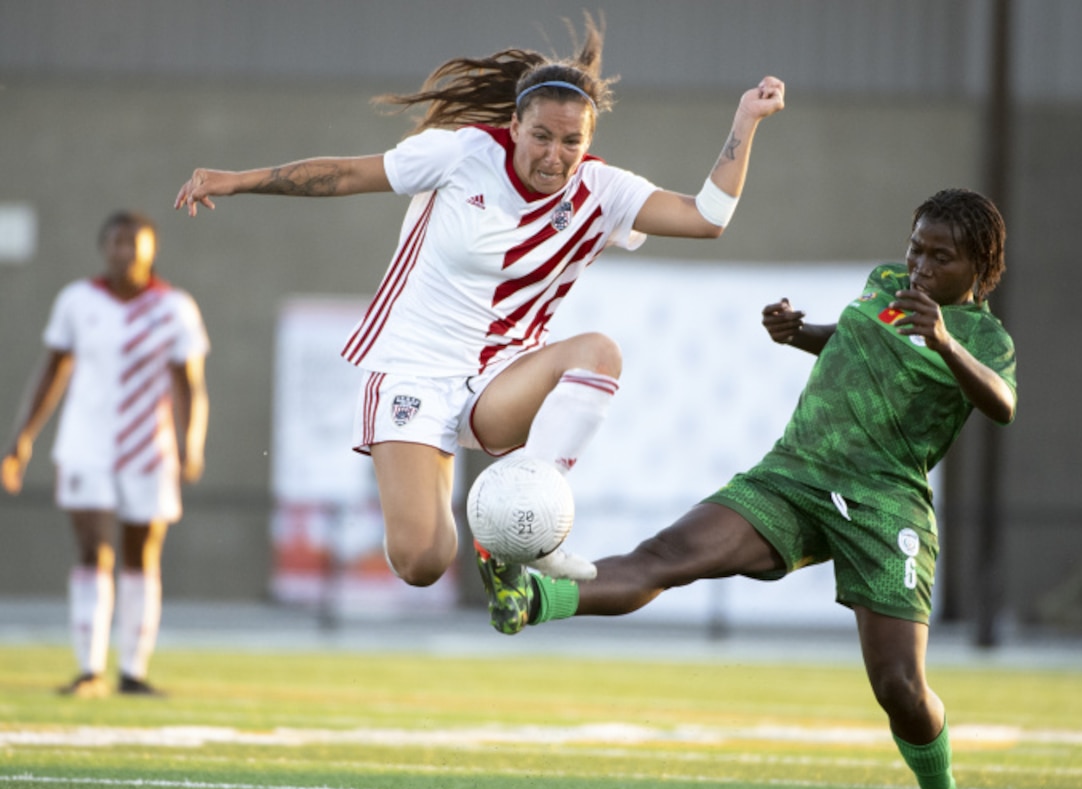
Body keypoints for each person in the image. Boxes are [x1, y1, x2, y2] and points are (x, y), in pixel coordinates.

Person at [476, 188, 1015, 789]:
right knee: (667, 555)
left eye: (941, 256)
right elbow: (862, 345)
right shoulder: (888, 284)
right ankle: (529, 596)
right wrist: (800, 334)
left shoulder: (983, 335)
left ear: (980, 267)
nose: (919, 266)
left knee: (900, 686)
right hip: (796, 475)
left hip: (883, 506)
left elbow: (1002, 403)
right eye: (916, 247)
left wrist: (945, 344)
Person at [174, 14, 784, 588]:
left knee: (599, 352)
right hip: (412, 369)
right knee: (423, 561)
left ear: (589, 138)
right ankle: (490, 535)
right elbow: (349, 174)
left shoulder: (605, 191)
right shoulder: (461, 153)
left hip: (499, 380)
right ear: (515, 127)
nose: (554, 154)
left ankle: (526, 524)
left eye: (571, 141)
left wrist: (744, 121)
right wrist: (239, 180)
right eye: (540, 136)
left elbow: (707, 218)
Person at [3, 210, 210, 698]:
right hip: (86, 445)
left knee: (142, 554)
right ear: (104, 248)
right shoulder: (77, 301)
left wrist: (191, 442)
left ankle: (133, 672)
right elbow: (52, 371)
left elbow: (190, 385)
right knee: (93, 549)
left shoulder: (175, 308)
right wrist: (22, 438)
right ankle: (88, 669)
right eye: (116, 242)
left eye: (134, 242)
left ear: (151, 249)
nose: (125, 251)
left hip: (148, 448)